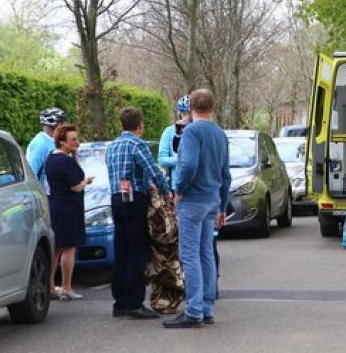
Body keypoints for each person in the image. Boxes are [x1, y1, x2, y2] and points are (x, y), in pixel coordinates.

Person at [164, 88, 231, 329]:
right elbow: (226, 174)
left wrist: (179, 189)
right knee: (205, 254)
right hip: (212, 200)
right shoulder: (220, 134)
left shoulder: (191, 131)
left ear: (191, 106)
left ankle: (193, 311)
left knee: (189, 255)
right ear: (212, 107)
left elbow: (189, 163)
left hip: (192, 200)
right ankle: (207, 308)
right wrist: (223, 206)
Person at [106, 107, 172, 319]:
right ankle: (135, 302)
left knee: (121, 249)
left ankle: (120, 302)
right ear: (140, 125)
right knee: (138, 250)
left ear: (121, 124)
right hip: (135, 200)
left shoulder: (112, 146)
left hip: (117, 198)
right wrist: (165, 189)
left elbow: (117, 174)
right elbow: (152, 168)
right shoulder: (137, 144)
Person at [45, 124, 93, 300]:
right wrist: (86, 181)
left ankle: (49, 286)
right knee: (68, 248)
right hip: (68, 208)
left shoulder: (51, 158)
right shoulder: (64, 161)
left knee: (56, 249)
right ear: (61, 141)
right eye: (73, 140)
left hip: (56, 205)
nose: (77, 143)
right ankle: (66, 287)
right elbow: (76, 186)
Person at [27, 108, 67, 190]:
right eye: (62, 123)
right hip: (47, 195)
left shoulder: (53, 140)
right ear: (55, 125)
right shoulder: (41, 144)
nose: (65, 125)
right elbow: (31, 173)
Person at [158, 95, 191, 187]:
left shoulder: (199, 131)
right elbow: (162, 160)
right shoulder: (169, 131)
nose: (186, 117)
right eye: (184, 114)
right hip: (176, 184)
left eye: (189, 114)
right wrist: (182, 160)